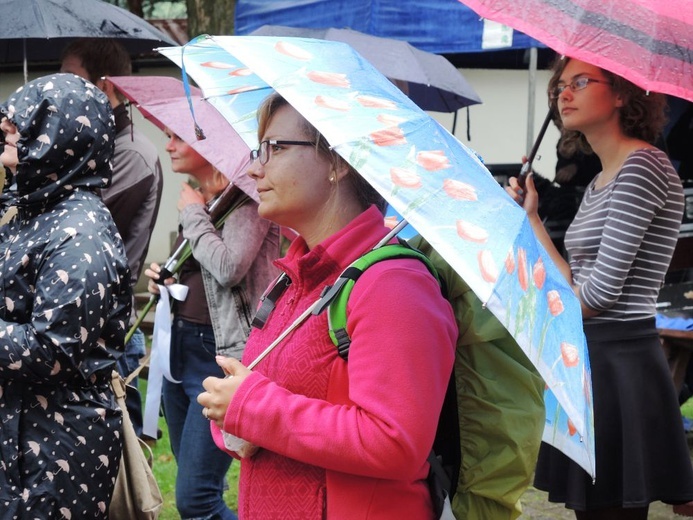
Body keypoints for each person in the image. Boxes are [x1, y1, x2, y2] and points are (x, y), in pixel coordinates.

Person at [197, 93, 458, 519]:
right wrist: (231, 412)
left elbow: (395, 443)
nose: (254, 168)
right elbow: (263, 402)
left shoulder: (394, 285)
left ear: (338, 161)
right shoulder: (293, 278)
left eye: (275, 148)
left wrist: (252, 408)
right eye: (256, 150)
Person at [506, 57, 693, 519]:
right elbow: (575, 281)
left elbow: (597, 297)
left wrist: (541, 311)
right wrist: (531, 217)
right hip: (593, 358)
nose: (563, 94)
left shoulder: (641, 168)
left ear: (623, 93)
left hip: (619, 361)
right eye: (561, 85)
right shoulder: (599, 182)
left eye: (581, 82)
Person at [0, 73, 131, 517]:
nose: (5, 125)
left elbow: (53, 350)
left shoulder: (80, 232)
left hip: (57, 449)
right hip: (18, 431)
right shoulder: (32, 205)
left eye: (24, 116)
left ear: (59, 135)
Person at [144, 127, 279, 520]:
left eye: (177, 137)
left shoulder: (246, 200)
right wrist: (166, 279)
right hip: (180, 345)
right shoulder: (206, 199)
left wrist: (192, 214)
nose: (168, 145)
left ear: (210, 143)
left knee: (196, 498)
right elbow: (199, 274)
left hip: (216, 355)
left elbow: (228, 268)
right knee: (194, 485)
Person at [60, 38, 164, 431]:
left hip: (107, 334)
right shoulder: (89, 145)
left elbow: (72, 232)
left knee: (118, 475)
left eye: (71, 78)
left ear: (105, 86)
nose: (62, 90)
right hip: (76, 329)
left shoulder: (130, 154)